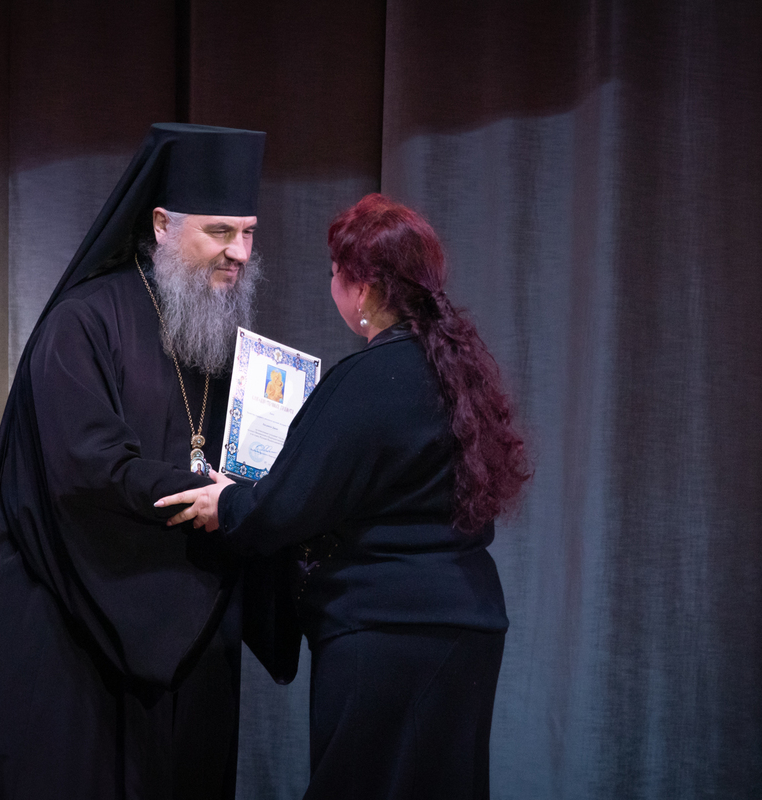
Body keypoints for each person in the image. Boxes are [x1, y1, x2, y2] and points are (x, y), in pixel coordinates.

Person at [0, 123, 267, 800]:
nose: (238, 253)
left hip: (181, 628)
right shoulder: (83, 322)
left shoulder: (226, 343)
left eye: (248, 234)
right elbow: (89, 468)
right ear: (163, 225)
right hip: (66, 625)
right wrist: (214, 498)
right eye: (220, 232)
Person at [158, 194, 532, 799]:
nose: (331, 282)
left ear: (366, 289)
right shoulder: (456, 372)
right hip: (469, 627)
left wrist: (225, 504)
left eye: (336, 271)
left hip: (387, 633)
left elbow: (289, 505)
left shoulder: (367, 379)